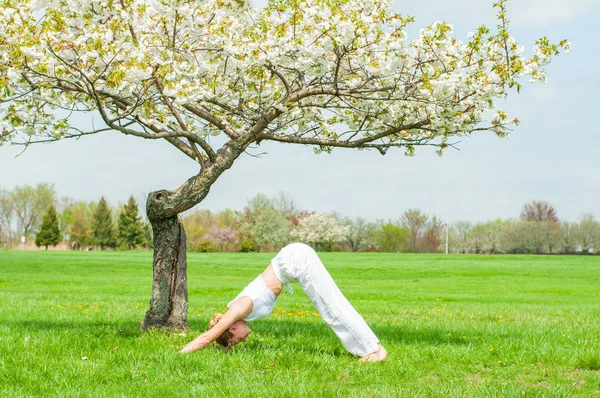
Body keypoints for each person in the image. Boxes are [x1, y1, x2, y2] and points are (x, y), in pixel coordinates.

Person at [180, 242, 387, 362]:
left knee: (331, 305)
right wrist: (223, 347)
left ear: (232, 329)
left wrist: (180, 354)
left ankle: (374, 351)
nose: (244, 340)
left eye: (237, 340)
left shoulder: (238, 309)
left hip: (295, 261)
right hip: (292, 259)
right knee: (331, 303)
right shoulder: (240, 312)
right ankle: (371, 348)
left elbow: (206, 339)